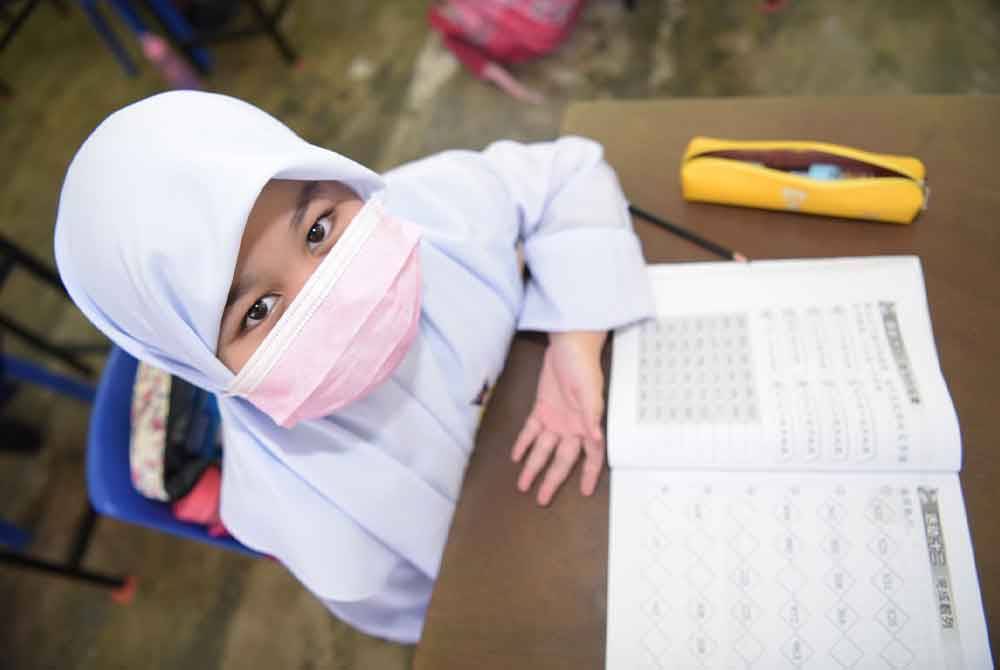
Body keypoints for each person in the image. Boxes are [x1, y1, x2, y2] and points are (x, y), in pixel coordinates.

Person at [54, 91, 653, 643]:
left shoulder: (429, 209)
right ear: (202, 367)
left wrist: (575, 339)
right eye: (258, 311)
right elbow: (448, 616)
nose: (331, 291)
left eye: (318, 230)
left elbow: (568, 175)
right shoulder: (308, 519)